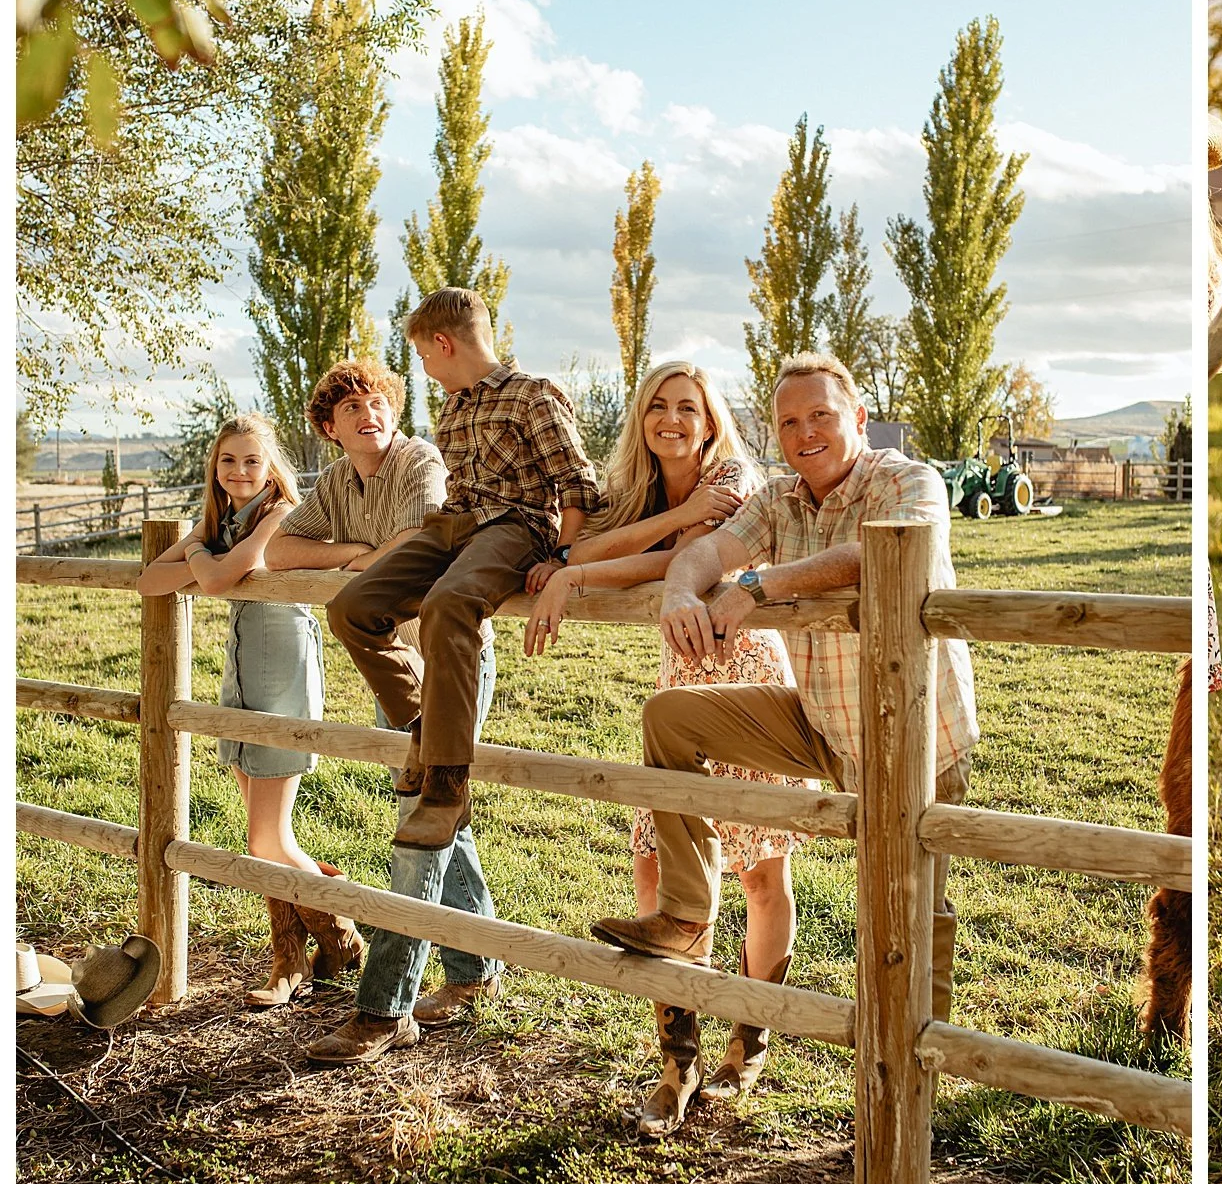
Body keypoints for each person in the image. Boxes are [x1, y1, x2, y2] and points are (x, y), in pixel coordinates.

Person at [587, 355, 976, 1052]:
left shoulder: (907, 480)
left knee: (908, 907)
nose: (805, 433)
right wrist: (679, 592)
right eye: (790, 422)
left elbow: (878, 554)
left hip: (913, 733)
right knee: (670, 716)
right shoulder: (779, 499)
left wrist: (760, 586)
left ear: (859, 418)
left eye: (821, 415)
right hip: (821, 718)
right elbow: (706, 552)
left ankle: (917, 1060)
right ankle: (684, 915)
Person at [520, 359, 806, 1134]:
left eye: (688, 408)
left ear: (710, 423)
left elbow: (677, 562)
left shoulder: (735, 479)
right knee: (656, 873)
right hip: (678, 687)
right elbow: (585, 553)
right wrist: (662, 522)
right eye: (658, 407)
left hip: (743, 676)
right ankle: (678, 1060)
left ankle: (750, 1038)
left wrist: (581, 576)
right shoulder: (641, 493)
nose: (671, 420)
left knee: (758, 871)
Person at [319, 287, 600, 1057]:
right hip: (455, 526)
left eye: (420, 354)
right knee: (354, 606)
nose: (421, 368)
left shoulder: (534, 395)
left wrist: (562, 558)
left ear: (442, 343)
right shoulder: (452, 410)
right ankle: (423, 728)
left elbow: (577, 486)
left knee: (449, 605)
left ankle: (444, 775)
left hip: (515, 529)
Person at [266, 360, 505, 1067]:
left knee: (421, 819)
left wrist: (362, 562)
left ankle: (384, 1008)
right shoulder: (337, 483)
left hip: (449, 662)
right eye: (352, 409)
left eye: (378, 403)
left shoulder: (419, 461)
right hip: (390, 666)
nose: (369, 415)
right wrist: (359, 553)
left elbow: (424, 541)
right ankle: (475, 969)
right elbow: (279, 549)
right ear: (329, 428)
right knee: (440, 812)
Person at [136, 413, 364, 1004]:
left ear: (271, 468)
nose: (239, 470)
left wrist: (198, 557)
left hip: (282, 670)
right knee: (265, 835)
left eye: (252, 460)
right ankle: (295, 956)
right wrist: (203, 552)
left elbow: (216, 581)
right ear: (215, 467)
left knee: (267, 839)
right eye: (228, 460)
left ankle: (338, 937)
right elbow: (148, 582)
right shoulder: (222, 522)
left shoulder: (280, 515)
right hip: (242, 671)